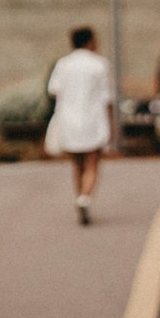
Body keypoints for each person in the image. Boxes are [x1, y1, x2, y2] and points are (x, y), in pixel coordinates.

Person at [47, 26, 113, 225]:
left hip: (69, 119)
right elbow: (107, 97)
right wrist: (112, 124)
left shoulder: (63, 64)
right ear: (90, 42)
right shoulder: (100, 64)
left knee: (76, 164)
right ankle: (85, 197)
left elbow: (53, 90)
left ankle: (80, 198)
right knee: (92, 163)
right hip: (93, 119)